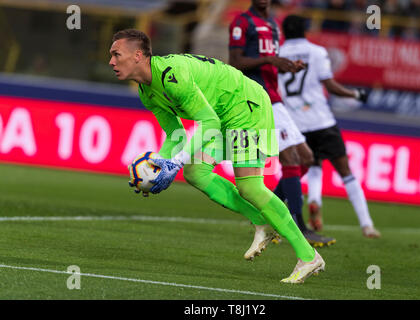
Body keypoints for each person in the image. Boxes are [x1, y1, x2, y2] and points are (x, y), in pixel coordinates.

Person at [109, 29, 325, 283]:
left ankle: (308, 256)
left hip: (244, 106)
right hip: (223, 115)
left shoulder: (171, 75)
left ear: (137, 56)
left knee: (250, 187)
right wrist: (158, 165)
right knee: (195, 172)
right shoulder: (147, 92)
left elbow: (208, 122)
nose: (111, 62)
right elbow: (174, 133)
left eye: (116, 54)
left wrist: (174, 163)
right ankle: (260, 221)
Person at [228, 0, 336, 247]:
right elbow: (236, 62)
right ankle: (297, 225)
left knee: (306, 157)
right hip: (258, 97)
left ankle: (267, 215)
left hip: (275, 96)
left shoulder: (274, 25)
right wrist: (270, 60)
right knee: (291, 159)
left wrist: (287, 67)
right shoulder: (242, 22)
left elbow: (270, 64)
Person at [278, 15, 381, 238]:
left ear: (284, 31)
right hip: (321, 121)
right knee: (345, 172)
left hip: (295, 124)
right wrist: (355, 93)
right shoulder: (317, 52)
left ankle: (310, 201)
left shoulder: (277, 55)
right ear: (305, 29)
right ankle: (367, 224)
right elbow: (331, 86)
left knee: (303, 167)